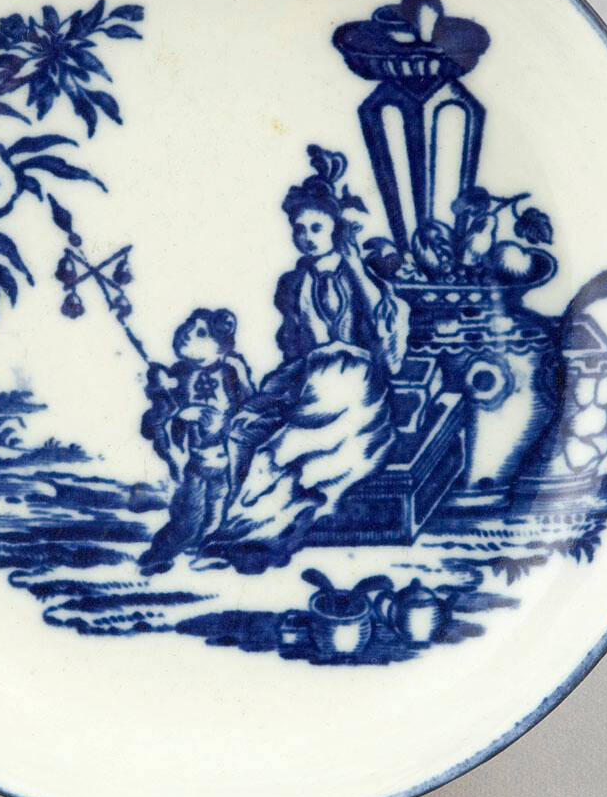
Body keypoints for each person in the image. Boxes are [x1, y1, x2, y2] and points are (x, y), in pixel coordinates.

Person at [199, 149, 409, 574]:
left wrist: (355, 265)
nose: (307, 236)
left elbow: (385, 341)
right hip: (310, 375)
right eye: (300, 229)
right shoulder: (293, 283)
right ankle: (238, 528)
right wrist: (271, 395)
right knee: (242, 430)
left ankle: (257, 538)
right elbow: (294, 350)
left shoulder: (359, 276)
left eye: (317, 227)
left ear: (336, 229)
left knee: (276, 454)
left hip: (353, 381)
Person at [137, 308, 253, 575]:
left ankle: (204, 557)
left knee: (215, 517)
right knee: (189, 517)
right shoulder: (180, 373)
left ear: (221, 344)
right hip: (196, 462)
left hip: (225, 461)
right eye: (188, 327)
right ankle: (160, 554)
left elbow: (248, 404)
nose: (187, 334)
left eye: (200, 332)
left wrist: (225, 421)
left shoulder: (231, 371)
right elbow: (165, 409)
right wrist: (168, 396)